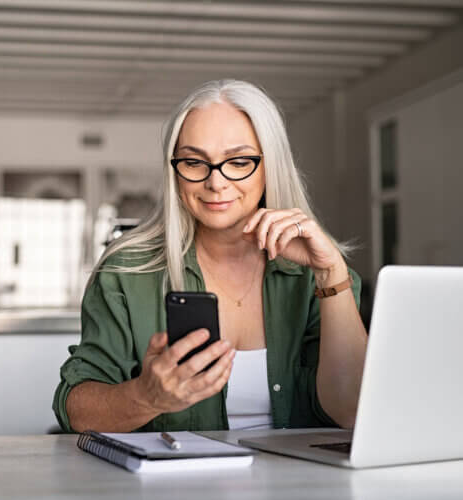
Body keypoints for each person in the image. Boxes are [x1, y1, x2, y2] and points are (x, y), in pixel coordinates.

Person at [53, 79, 367, 433]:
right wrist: (146, 396)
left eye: (238, 161)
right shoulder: (126, 272)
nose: (215, 182)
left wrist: (331, 275)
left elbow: (353, 411)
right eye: (194, 162)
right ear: (175, 171)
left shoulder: (321, 275)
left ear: (270, 165)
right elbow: (76, 411)